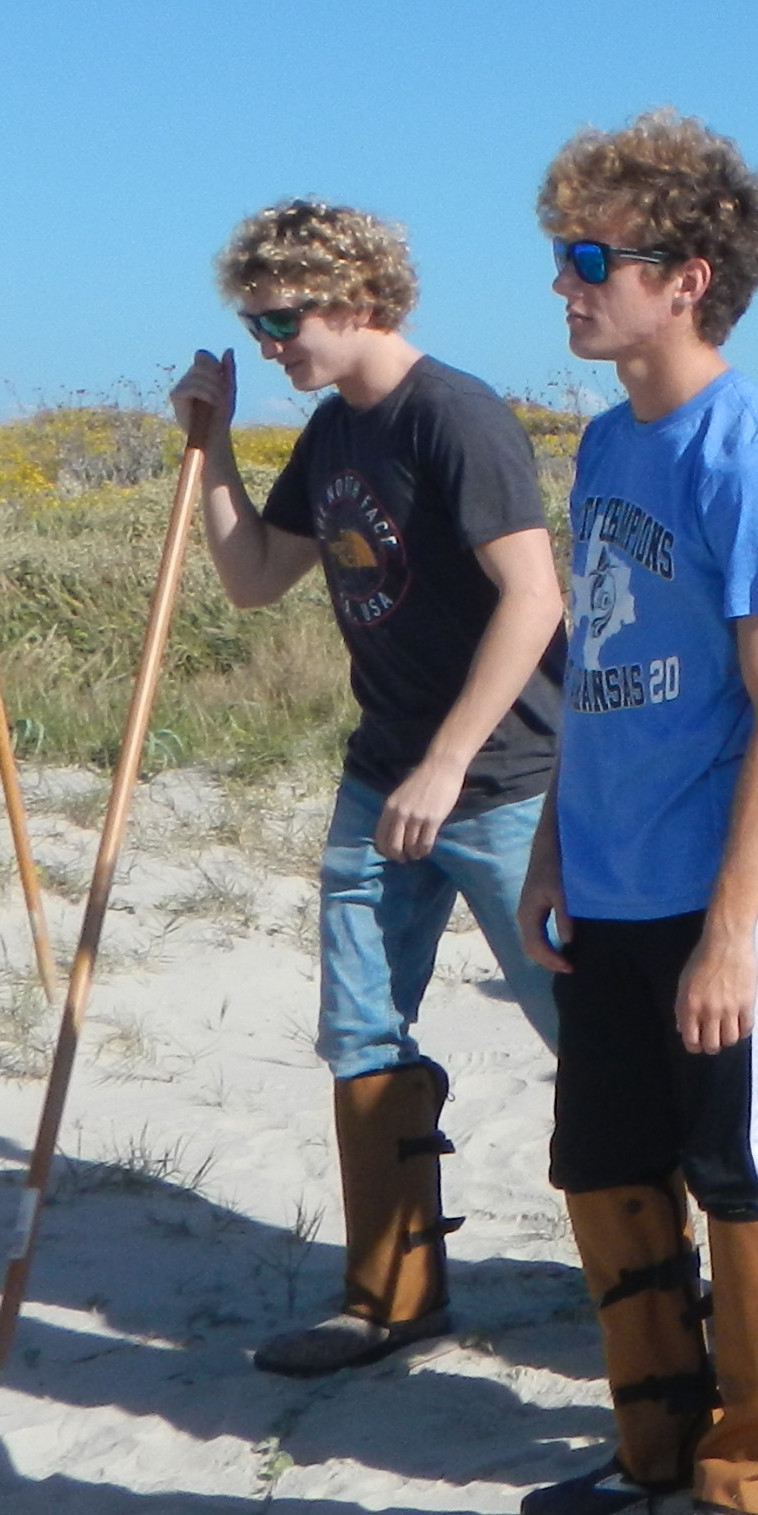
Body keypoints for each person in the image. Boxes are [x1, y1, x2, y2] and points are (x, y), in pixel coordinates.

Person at [511, 110, 758, 1515]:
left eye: (594, 261)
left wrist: (730, 932)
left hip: (732, 886)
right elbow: (593, 663)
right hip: (611, 874)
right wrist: (547, 850)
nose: (568, 287)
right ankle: (654, 1441)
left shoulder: (753, 459)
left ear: (687, 276)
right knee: (602, 1164)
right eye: (562, 258)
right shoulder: (603, 442)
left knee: (747, 1167)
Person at [165, 202, 569, 1379]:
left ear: (352, 295)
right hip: (377, 777)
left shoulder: (454, 415)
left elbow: (534, 598)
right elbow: (251, 580)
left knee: (581, 1033)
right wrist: (213, 448)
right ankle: (389, 1295)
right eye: (255, 319)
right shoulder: (334, 433)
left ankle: (663, 1270)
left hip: (502, 784)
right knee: (358, 1029)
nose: (270, 339)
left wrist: (448, 764)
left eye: (282, 317)